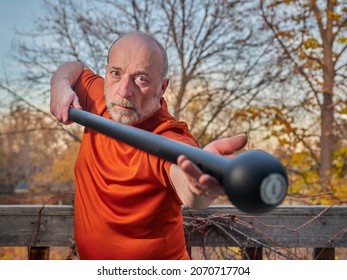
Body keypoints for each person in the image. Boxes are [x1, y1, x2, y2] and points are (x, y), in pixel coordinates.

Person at [50, 31, 247, 260]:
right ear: (107, 72)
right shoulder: (102, 98)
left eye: (141, 79)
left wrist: (200, 187)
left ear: (162, 88)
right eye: (116, 73)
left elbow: (189, 184)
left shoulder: (167, 137)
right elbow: (75, 67)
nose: (124, 91)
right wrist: (60, 84)